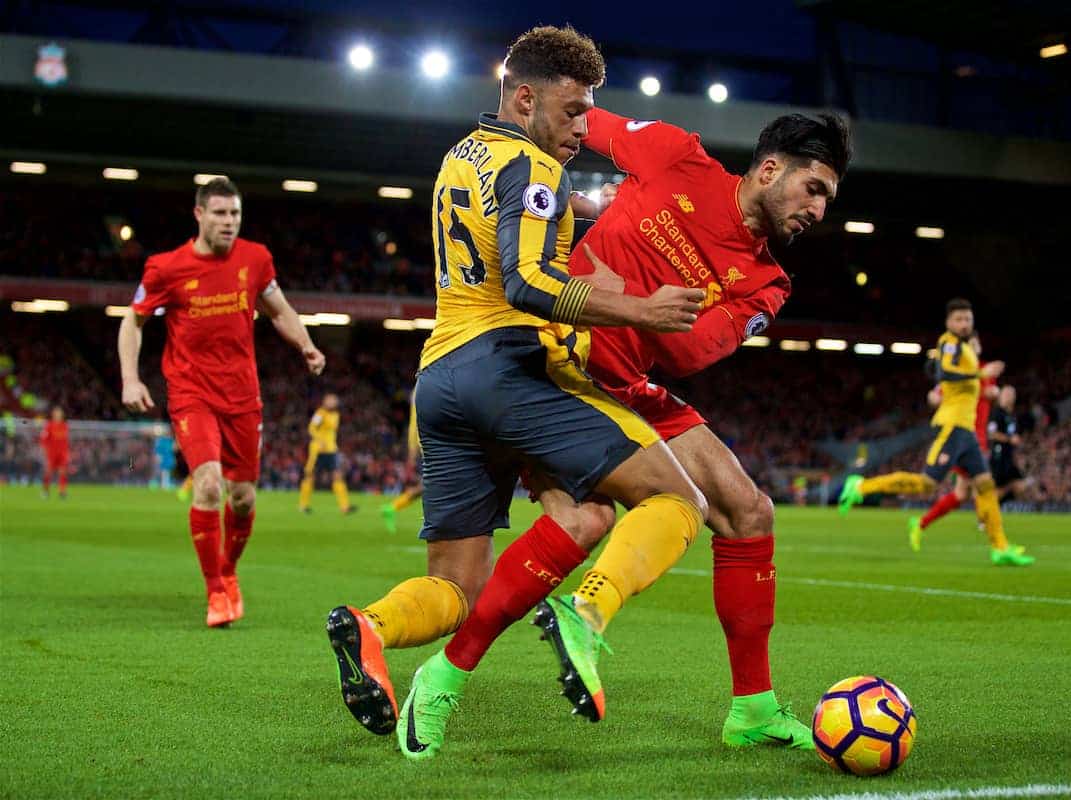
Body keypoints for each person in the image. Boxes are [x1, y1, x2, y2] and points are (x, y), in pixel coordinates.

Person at [325, 24, 708, 760]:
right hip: (508, 367)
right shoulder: (533, 167)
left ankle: (370, 624)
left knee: (457, 589)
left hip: (440, 377)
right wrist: (642, 309)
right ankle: (586, 614)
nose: (582, 127)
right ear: (524, 97)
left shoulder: (461, 155)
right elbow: (529, 282)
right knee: (675, 499)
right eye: (571, 111)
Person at [532, 105, 850, 749]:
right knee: (596, 520)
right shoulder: (676, 155)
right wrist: (533, 189)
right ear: (768, 170)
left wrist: (632, 269)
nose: (819, 211)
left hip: (630, 380)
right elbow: (576, 121)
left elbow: (692, 352)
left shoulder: (767, 282)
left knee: (749, 512)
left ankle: (753, 710)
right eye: (814, 188)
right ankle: (568, 623)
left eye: (829, 198)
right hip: (558, 350)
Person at [118, 176, 326, 627]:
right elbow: (132, 323)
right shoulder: (166, 268)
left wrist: (305, 344)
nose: (229, 222)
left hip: (242, 397)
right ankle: (215, 591)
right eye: (219, 213)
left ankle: (229, 572)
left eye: (234, 214)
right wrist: (130, 379)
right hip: (192, 394)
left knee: (244, 499)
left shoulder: (256, 259)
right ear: (199, 215)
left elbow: (280, 310)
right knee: (209, 485)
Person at [838, 298, 1034, 567]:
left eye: (968, 319)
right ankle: (861, 485)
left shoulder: (965, 351)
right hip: (953, 428)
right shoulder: (950, 343)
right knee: (927, 483)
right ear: (949, 323)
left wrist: (982, 379)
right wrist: (979, 374)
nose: (964, 324)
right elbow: (946, 374)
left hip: (967, 434)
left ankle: (1000, 547)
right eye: (959, 319)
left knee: (986, 486)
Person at [906, 333, 997, 550]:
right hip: (961, 435)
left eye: (977, 343)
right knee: (980, 485)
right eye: (972, 343)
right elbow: (937, 394)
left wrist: (991, 391)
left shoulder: (984, 370)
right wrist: (935, 397)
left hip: (977, 435)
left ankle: (920, 523)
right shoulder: (959, 372)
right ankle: (994, 538)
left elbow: (991, 392)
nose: (976, 346)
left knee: (962, 493)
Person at [299, 393, 357, 514]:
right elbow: (311, 428)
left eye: (334, 401)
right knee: (310, 476)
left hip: (331, 450)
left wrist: (332, 445)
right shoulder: (320, 413)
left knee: (337, 476)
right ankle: (303, 506)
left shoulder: (336, 415)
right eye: (330, 400)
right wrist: (319, 440)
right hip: (318, 450)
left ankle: (344, 507)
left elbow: (331, 433)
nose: (332, 402)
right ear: (324, 401)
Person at [380, 393, 423, 534]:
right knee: (432, 485)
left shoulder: (425, 383)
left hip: (427, 444)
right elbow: (415, 422)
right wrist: (412, 448)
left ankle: (392, 507)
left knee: (427, 486)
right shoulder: (425, 385)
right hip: (429, 445)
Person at [988, 385, 1031, 502]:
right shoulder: (996, 413)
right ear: (1001, 396)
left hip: (1009, 456)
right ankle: (989, 508)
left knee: (1020, 485)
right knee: (1001, 488)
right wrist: (1009, 439)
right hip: (999, 455)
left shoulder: (1011, 415)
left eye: (1012, 395)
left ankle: (996, 503)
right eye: (1007, 394)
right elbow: (991, 433)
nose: (1009, 397)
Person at [39, 406, 69, 499]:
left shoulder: (64, 425)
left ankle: (62, 492)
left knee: (63, 472)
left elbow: (65, 441)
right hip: (52, 453)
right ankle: (45, 491)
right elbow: (43, 439)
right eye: (56, 413)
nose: (58, 415)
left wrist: (67, 452)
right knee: (48, 472)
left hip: (62, 453)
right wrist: (44, 451)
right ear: (53, 415)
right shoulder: (49, 426)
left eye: (59, 413)